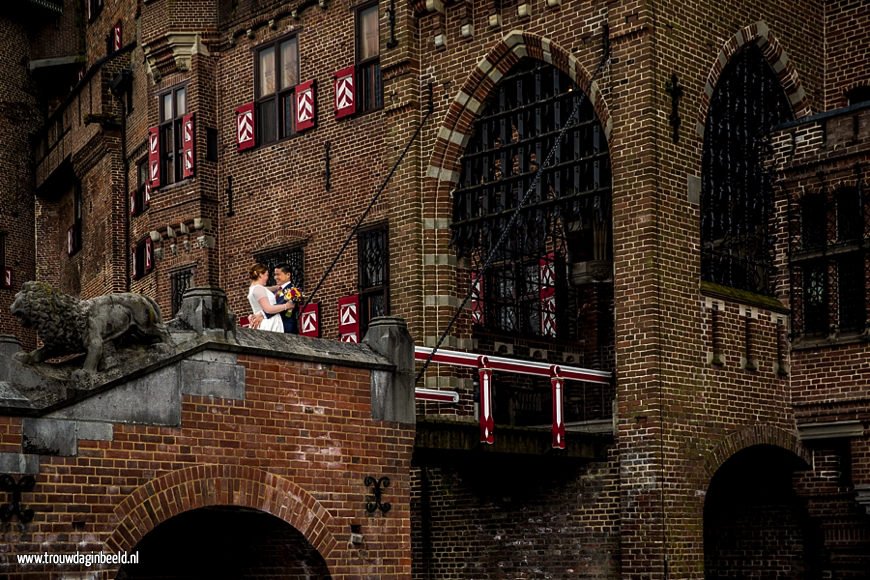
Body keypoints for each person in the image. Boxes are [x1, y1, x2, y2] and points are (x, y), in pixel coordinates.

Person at [246, 263, 290, 332]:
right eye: (266, 275)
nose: (267, 278)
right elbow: (268, 309)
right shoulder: (258, 289)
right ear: (260, 275)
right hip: (269, 323)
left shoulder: (254, 288)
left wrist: (277, 287)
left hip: (261, 321)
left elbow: (268, 289)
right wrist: (286, 306)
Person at [272, 263, 299, 334]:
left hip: (287, 329)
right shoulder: (276, 291)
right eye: (275, 275)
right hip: (274, 328)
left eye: (278, 274)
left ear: (288, 275)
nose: (275, 277)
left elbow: (280, 306)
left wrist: (262, 314)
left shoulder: (293, 291)